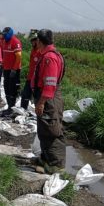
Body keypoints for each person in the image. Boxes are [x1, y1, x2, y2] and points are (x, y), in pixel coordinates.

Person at [31, 29, 66, 174]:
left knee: (52, 130)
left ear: (40, 41)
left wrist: (41, 102)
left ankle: (56, 166)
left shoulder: (49, 58)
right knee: (45, 129)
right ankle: (46, 159)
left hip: (49, 99)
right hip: (48, 98)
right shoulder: (47, 55)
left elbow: (50, 84)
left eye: (36, 41)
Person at [0, 27, 22, 114]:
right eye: (3, 35)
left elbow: (19, 56)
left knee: (12, 89)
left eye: (5, 35)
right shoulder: (4, 41)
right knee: (6, 87)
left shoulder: (15, 42)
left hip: (14, 70)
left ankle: (12, 107)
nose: (4, 36)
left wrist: (14, 69)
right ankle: (9, 106)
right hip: (6, 69)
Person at [20, 29, 40, 109]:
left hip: (36, 78)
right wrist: (30, 32)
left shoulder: (40, 51)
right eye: (31, 41)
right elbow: (24, 38)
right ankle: (22, 111)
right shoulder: (33, 49)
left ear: (37, 41)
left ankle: (38, 113)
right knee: (25, 95)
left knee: (36, 97)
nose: (31, 43)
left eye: (33, 41)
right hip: (30, 76)